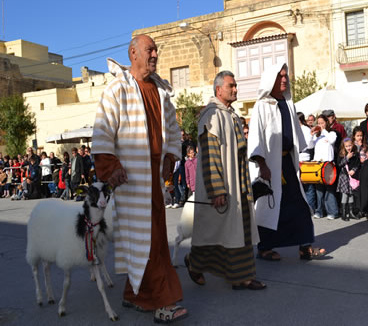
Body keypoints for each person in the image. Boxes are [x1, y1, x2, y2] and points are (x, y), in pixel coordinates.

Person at [91, 34, 187, 322]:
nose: (155, 54)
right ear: (133, 53)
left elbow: (172, 130)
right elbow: (103, 130)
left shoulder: (161, 91)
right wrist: (111, 167)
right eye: (150, 49)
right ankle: (162, 302)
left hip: (155, 180)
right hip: (131, 181)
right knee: (146, 240)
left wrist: (170, 157)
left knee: (152, 238)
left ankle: (135, 295)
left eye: (156, 50)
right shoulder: (117, 89)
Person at [185, 70, 265, 290]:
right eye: (232, 86)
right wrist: (217, 189)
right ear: (219, 89)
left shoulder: (231, 115)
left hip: (239, 184)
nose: (236, 89)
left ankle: (242, 277)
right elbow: (210, 155)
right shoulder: (211, 116)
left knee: (237, 232)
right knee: (215, 232)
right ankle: (194, 263)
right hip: (223, 187)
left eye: (236, 85)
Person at [248, 62, 325, 261]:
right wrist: (262, 165)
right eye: (280, 76)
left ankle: (305, 246)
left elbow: (297, 135)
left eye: (285, 76)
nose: (284, 79)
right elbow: (256, 138)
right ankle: (265, 247)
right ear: (270, 80)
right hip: (270, 166)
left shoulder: (288, 104)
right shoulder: (261, 106)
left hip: (288, 163)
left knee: (299, 204)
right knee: (270, 207)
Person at [312, 114, 339, 219]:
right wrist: (312, 135)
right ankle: (319, 211)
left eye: (322, 123)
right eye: (318, 123)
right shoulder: (317, 136)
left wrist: (323, 130)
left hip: (328, 164)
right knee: (319, 190)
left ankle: (332, 212)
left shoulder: (331, 133)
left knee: (329, 190)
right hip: (318, 164)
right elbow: (309, 145)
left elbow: (332, 140)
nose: (320, 125)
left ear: (326, 123)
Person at [337, 138, 360, 221]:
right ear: (344, 147)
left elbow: (358, 163)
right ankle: (343, 213)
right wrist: (347, 157)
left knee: (351, 194)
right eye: (346, 146)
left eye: (350, 145)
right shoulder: (341, 154)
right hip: (344, 176)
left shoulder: (356, 154)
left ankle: (351, 213)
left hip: (352, 177)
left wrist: (354, 170)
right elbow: (339, 164)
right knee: (345, 194)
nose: (348, 147)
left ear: (352, 145)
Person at [297, 112, 316, 213]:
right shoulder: (295, 129)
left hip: (304, 158)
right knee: (299, 186)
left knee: (308, 185)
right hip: (297, 158)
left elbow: (310, 145)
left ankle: (311, 208)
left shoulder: (305, 129)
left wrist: (300, 147)